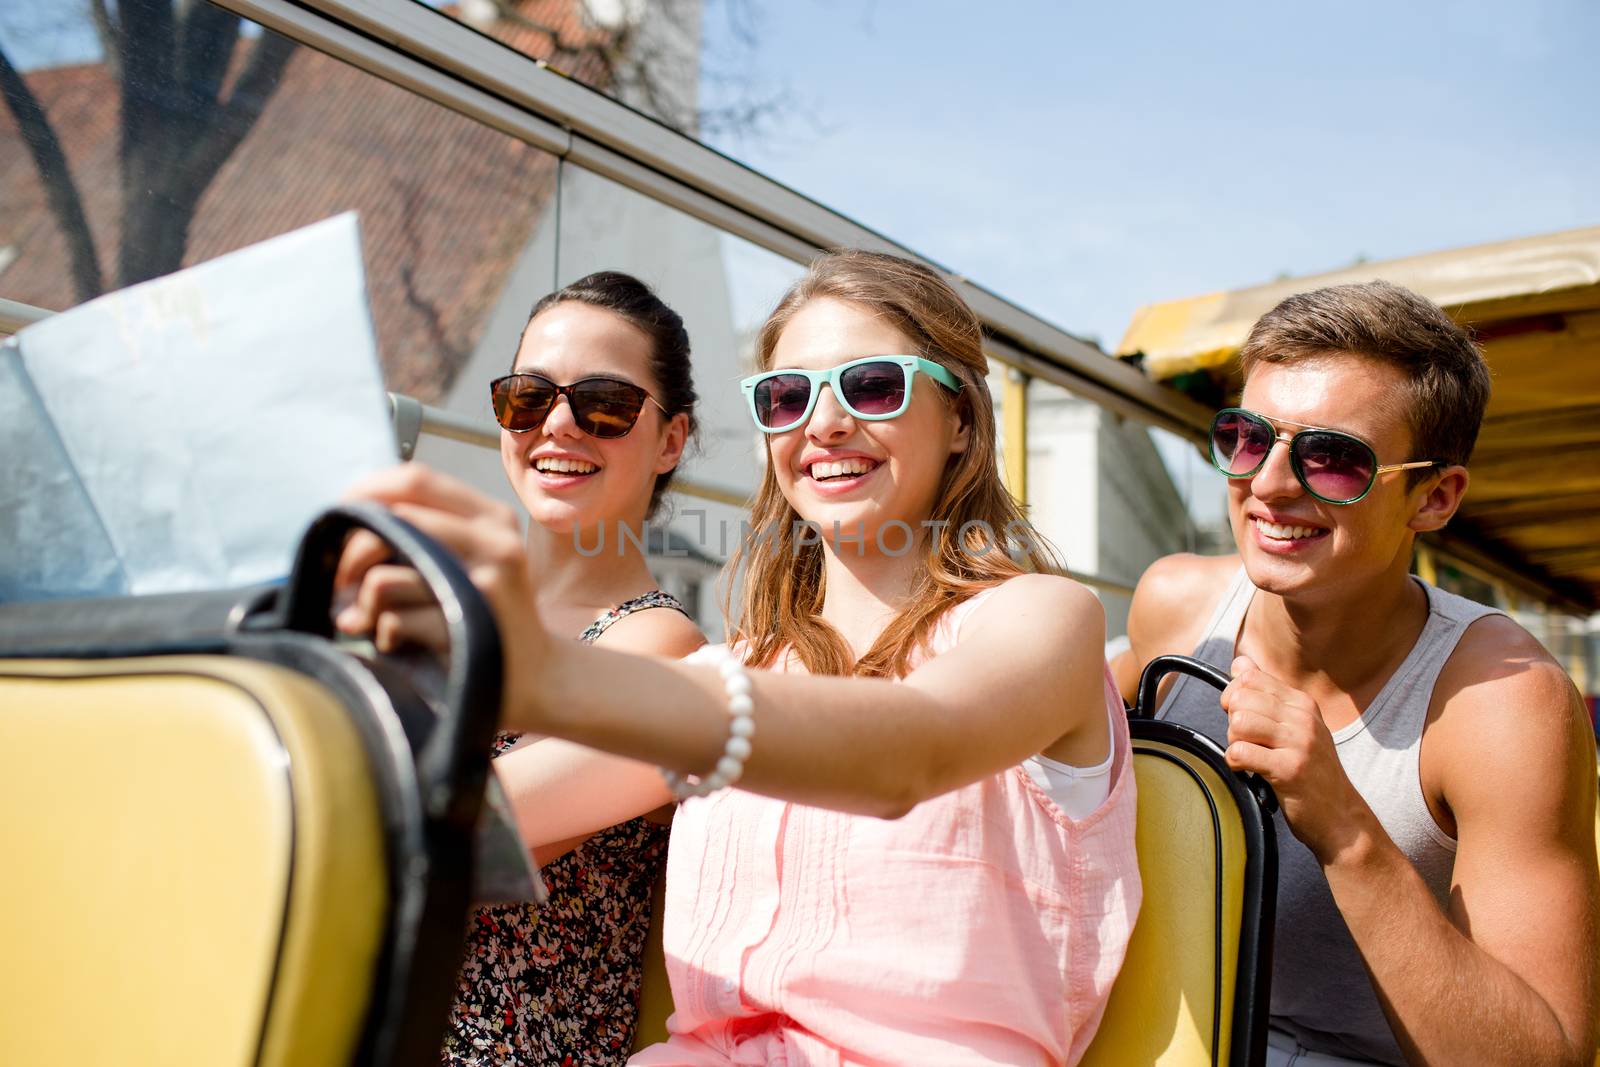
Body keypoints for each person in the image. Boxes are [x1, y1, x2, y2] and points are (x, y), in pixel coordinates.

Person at [341, 249, 1139, 1066]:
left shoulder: (1045, 618)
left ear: (961, 418)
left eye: (872, 385)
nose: (822, 424)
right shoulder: (740, 667)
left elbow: (912, 747)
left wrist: (549, 672)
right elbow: (465, 824)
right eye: (787, 397)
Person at [1119, 281, 1599, 1066]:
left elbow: (1544, 1058)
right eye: (1247, 437)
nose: (1268, 484)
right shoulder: (1175, 606)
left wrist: (1346, 830)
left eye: (1334, 458)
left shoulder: (1504, 702)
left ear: (1435, 497)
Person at [338, 271, 705, 1066]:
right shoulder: (446, 602)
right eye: (527, 397)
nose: (558, 426)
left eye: (604, 403)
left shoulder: (662, 648)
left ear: (671, 440)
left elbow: (448, 839)